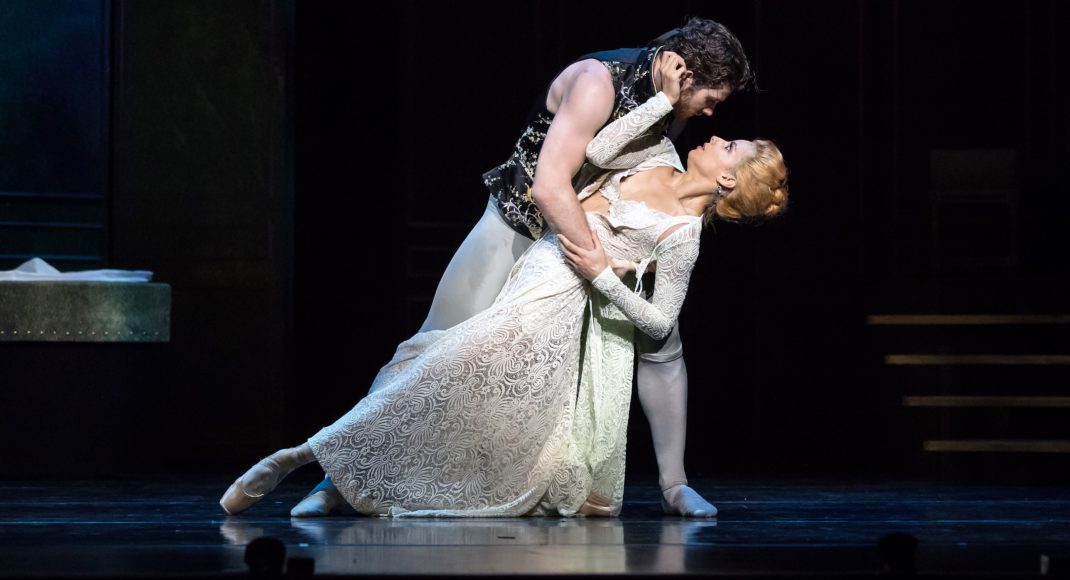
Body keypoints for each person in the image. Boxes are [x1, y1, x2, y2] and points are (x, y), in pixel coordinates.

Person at [218, 82, 789, 516]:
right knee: (437, 364)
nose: (716, 135)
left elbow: (661, 324)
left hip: (560, 300)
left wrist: (602, 273)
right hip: (538, 265)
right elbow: (599, 145)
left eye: (730, 145)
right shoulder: (659, 152)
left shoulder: (681, 237)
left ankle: (300, 458)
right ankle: (327, 473)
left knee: (451, 377)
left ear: (730, 182)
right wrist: (662, 100)